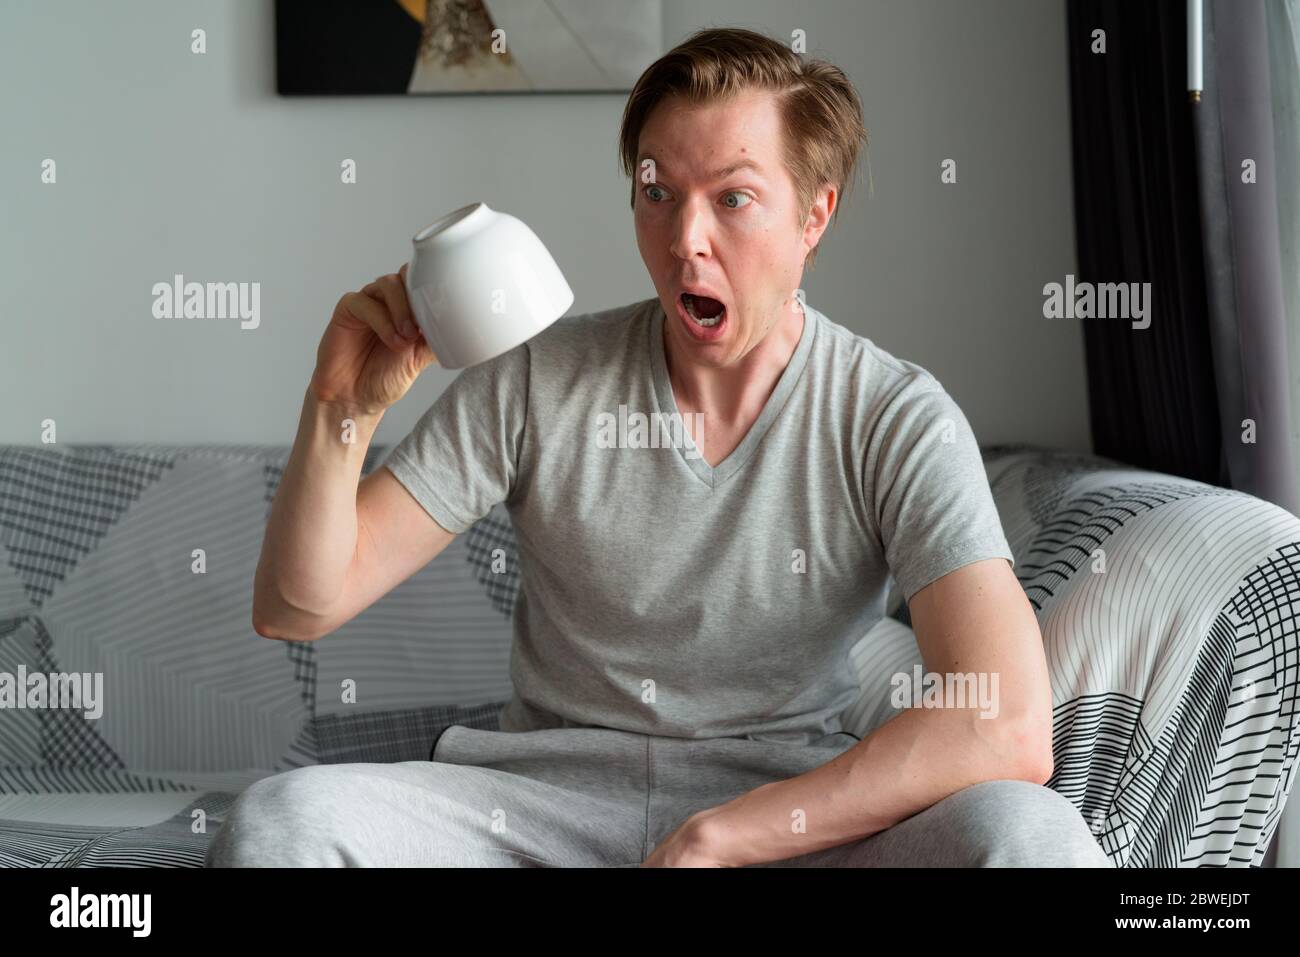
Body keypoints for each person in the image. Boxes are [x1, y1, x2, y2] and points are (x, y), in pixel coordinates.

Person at [206, 27, 1110, 868]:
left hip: (789, 820)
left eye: (735, 198)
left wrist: (726, 834)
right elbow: (298, 608)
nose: (686, 239)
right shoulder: (536, 379)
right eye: (657, 192)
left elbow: (1006, 722)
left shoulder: (894, 417)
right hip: (535, 814)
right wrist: (339, 408)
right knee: (281, 821)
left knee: (1032, 834)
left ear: (814, 216)